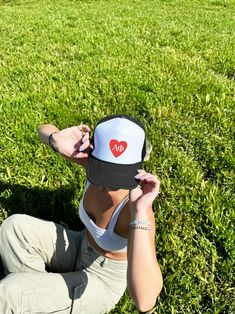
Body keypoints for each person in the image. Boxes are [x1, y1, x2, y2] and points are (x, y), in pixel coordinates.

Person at [0, 114, 163, 314]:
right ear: (94, 154)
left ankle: (25, 298)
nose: (107, 183)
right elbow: (42, 129)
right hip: (79, 246)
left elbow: (146, 301)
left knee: (9, 293)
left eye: (119, 173)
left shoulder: (137, 206)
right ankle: (35, 299)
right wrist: (55, 138)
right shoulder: (92, 165)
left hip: (101, 280)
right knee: (12, 229)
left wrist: (140, 215)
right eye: (105, 170)